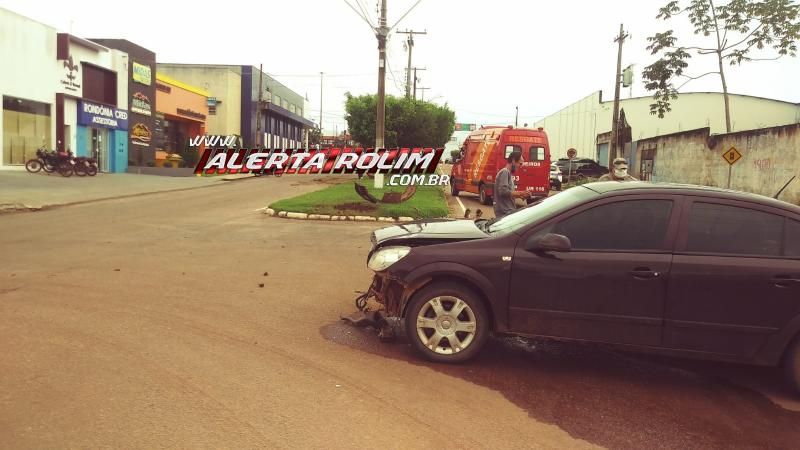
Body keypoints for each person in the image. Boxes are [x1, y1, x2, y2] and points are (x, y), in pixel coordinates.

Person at [493, 151, 531, 218]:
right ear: (513, 161)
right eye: (520, 163)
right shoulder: (505, 172)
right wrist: (520, 193)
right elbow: (503, 191)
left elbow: (508, 194)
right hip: (505, 212)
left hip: (508, 211)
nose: (521, 166)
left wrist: (520, 196)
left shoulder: (509, 174)